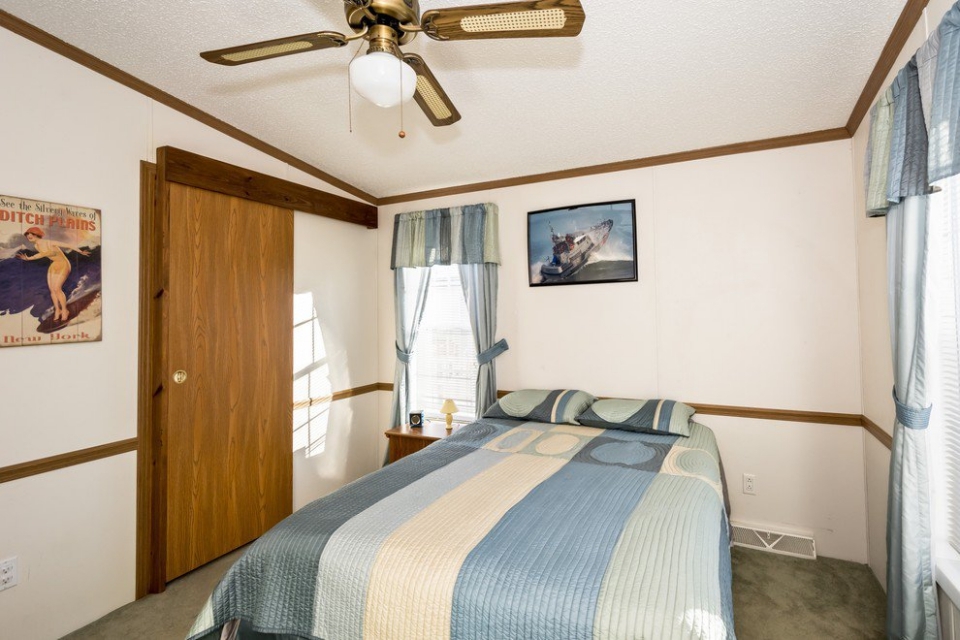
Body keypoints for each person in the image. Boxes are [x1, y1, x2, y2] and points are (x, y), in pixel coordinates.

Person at [17, 226, 90, 323]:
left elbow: (67, 245)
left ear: (37, 234)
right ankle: (57, 310)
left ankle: (65, 310)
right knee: (52, 290)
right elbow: (41, 254)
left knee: (57, 289)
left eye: (31, 234)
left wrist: (80, 251)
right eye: (27, 235)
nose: (29, 236)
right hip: (54, 265)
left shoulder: (49, 242)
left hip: (63, 264)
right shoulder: (37, 246)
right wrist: (28, 258)